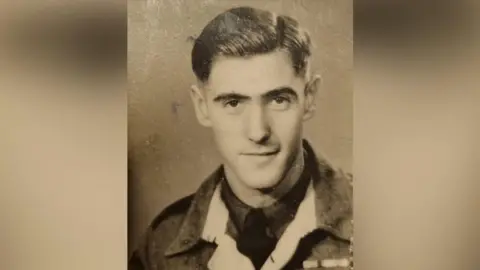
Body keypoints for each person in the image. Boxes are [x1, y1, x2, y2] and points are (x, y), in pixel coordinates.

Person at [129, 6, 353, 270]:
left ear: (309, 98)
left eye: (278, 100)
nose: (258, 132)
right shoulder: (162, 245)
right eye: (234, 103)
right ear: (202, 106)